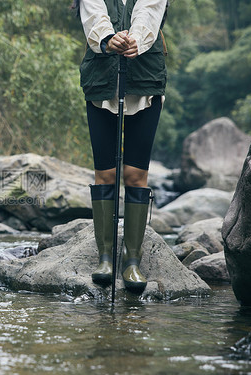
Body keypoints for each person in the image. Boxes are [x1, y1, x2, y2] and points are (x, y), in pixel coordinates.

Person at [73, 0, 167, 292]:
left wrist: (134, 40)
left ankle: (132, 261)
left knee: (135, 175)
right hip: (101, 81)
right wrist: (108, 38)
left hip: (144, 79)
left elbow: (149, 13)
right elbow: (93, 15)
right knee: (106, 174)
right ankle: (105, 258)